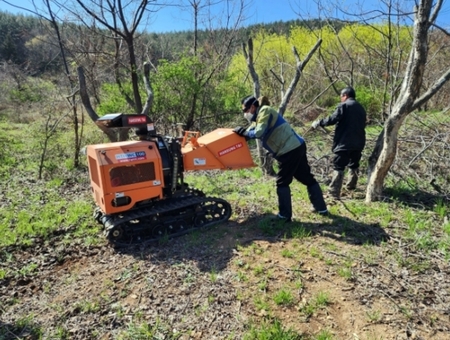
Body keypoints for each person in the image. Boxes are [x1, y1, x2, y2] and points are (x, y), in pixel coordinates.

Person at [233, 95, 328, 222]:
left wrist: (244, 133)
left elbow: (259, 132)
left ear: (252, 107)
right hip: (296, 146)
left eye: (245, 111)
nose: (245, 114)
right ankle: (321, 208)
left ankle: (284, 216)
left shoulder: (264, 111)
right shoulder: (258, 117)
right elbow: (250, 132)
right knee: (305, 177)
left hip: (289, 150)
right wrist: (241, 134)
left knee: (282, 182)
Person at [311, 86, 366, 199]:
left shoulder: (344, 105)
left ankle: (333, 193)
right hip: (359, 142)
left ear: (345, 95)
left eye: (341, 96)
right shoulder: (361, 108)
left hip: (344, 143)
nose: (341, 98)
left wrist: (319, 122)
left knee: (338, 166)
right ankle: (351, 186)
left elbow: (333, 119)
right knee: (354, 164)